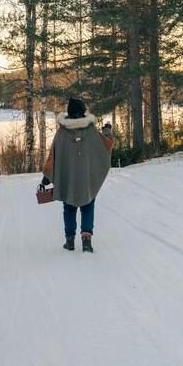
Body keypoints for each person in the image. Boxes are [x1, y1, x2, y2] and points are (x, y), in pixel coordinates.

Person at [39, 97, 114, 253]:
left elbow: (53, 157)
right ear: (82, 111)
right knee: (88, 205)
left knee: (69, 207)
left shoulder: (61, 133)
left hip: (69, 180)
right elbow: (107, 144)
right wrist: (107, 129)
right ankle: (86, 240)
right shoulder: (91, 131)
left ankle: (70, 240)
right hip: (87, 179)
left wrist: (46, 178)